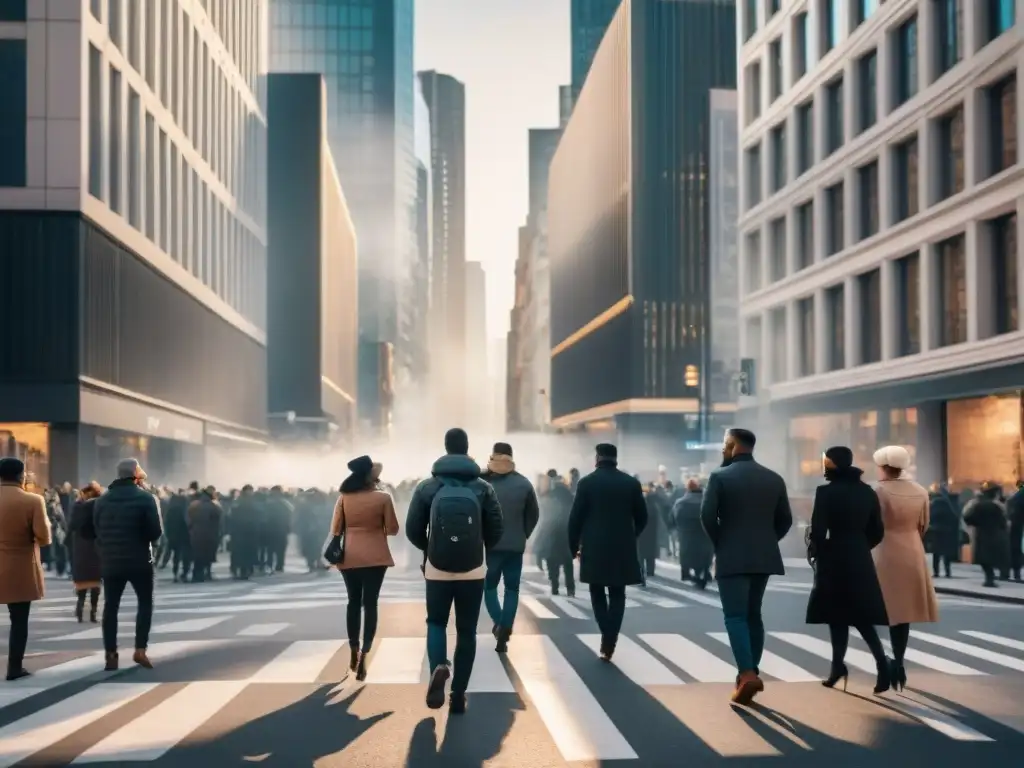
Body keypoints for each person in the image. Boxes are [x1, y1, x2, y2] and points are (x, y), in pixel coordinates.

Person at [406, 428, 504, 714]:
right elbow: (497, 530)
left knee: (436, 622)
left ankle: (438, 664)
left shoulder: (427, 487)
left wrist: (431, 547)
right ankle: (458, 694)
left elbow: (413, 530)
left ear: (446, 448)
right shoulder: (484, 488)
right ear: (467, 448)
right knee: (467, 631)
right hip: (473, 569)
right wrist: (478, 547)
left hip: (437, 567)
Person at [700, 428, 793, 705]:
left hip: (732, 556)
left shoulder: (719, 477)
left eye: (724, 445)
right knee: (754, 615)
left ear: (731, 445)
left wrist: (722, 543)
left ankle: (747, 672)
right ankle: (749, 672)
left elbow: (707, 517)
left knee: (735, 616)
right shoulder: (774, 478)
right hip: (763, 556)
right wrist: (766, 540)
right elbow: (785, 520)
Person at [805, 447, 890, 694]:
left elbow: (818, 530)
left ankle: (837, 668)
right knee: (860, 616)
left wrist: (818, 550)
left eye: (825, 462)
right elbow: (878, 530)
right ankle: (881, 665)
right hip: (859, 557)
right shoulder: (867, 492)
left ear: (833, 464)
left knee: (836, 615)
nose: (823, 466)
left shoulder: (825, 492)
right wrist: (860, 546)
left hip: (833, 558)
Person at [567, 443, 647, 662]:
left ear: (597, 457)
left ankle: (606, 635)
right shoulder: (631, 483)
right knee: (618, 592)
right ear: (615, 458)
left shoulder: (586, 483)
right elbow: (642, 516)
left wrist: (573, 546)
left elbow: (575, 519)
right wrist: (632, 535)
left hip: (594, 546)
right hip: (623, 546)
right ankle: (610, 639)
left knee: (596, 590)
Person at [872, 445, 939, 692]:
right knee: (903, 613)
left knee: (877, 609)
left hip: (884, 550)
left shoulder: (879, 491)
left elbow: (873, 524)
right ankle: (898, 661)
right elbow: (924, 525)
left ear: (883, 467)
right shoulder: (921, 491)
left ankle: (884, 663)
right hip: (912, 550)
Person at [89, 458, 163, 671]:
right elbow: (155, 532)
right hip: (140, 559)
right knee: (145, 604)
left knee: (110, 607)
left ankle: (110, 655)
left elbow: (97, 529)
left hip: (112, 560)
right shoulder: (146, 498)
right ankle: (140, 649)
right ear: (135, 474)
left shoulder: (102, 500)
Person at [331, 455, 400, 681]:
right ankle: (365, 655)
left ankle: (353, 649)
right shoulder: (383, 498)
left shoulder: (344, 498)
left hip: (349, 555)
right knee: (370, 604)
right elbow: (392, 529)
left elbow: (336, 529)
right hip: (376, 556)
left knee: (353, 602)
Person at [480, 442, 539, 653]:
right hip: (515, 546)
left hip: (490, 546)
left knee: (489, 587)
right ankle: (506, 626)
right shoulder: (524, 484)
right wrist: (523, 534)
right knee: (512, 589)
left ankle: (501, 624)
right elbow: (533, 515)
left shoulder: (482, 482)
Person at [0, 458, 51, 681]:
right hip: (19, 566)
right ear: (21, 475)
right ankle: (14, 667)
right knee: (19, 620)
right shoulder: (33, 500)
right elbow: (44, 536)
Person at [963, 482, 1012, 587]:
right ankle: (1000, 576)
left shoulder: (977, 505)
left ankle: (989, 578)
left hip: (982, 534)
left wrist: (977, 524)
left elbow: (968, 518)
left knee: (984, 558)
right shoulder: (998, 506)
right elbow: (1003, 521)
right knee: (998, 556)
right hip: (996, 534)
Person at [69, 481, 104, 623]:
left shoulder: (78, 507)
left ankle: (79, 608)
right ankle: (93, 613)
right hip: (96, 547)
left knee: (83, 580)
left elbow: (71, 526)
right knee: (95, 581)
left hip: (81, 546)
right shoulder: (101, 506)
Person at [539, 470, 575, 597]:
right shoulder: (569, 495)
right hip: (566, 531)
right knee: (567, 561)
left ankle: (554, 586)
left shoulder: (548, 495)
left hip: (552, 532)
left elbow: (543, 518)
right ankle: (570, 588)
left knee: (552, 561)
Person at [674, 478, 713, 588]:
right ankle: (704, 574)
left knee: (688, 557)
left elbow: (675, 519)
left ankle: (688, 575)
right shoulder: (707, 501)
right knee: (705, 557)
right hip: (705, 536)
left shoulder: (680, 502)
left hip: (687, 537)